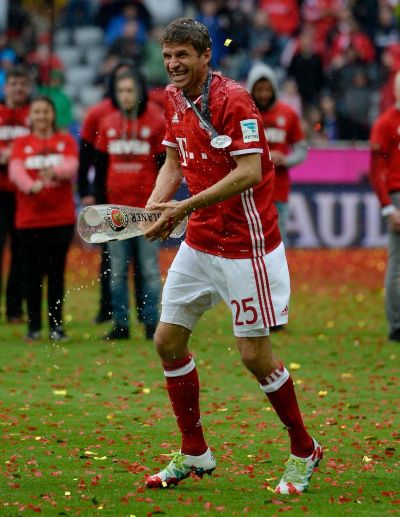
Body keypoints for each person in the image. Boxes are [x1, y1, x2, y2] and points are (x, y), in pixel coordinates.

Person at [143, 18, 322, 494]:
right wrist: (155, 205)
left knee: (254, 355)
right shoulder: (172, 97)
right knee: (167, 340)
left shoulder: (233, 99)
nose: (173, 64)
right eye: (168, 55)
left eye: (183, 55)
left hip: (247, 246)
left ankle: (304, 448)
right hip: (200, 242)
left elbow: (249, 172)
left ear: (206, 56)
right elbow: (174, 160)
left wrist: (183, 206)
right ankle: (194, 450)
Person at [95, 70, 165, 340]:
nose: (125, 96)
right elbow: (101, 167)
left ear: (140, 93)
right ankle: (121, 324)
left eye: (130, 90)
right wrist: (99, 202)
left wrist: (159, 202)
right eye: (121, 91)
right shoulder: (108, 123)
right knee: (117, 271)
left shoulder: (156, 121)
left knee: (149, 270)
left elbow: (163, 166)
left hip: (146, 210)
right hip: (115, 210)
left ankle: (151, 323)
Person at [9, 96, 78, 341]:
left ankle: (56, 327)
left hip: (60, 220)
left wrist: (56, 172)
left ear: (52, 115)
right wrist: (31, 186)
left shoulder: (65, 140)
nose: (41, 116)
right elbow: (15, 171)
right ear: (31, 116)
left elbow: (72, 165)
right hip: (29, 221)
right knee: (32, 275)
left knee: (56, 275)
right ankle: (34, 327)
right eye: (37, 112)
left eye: (45, 112)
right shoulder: (21, 143)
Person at [78, 61, 135, 325]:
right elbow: (86, 155)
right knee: (109, 256)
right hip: (105, 193)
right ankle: (107, 308)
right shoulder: (98, 114)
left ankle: (139, 312)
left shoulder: (146, 114)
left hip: (137, 194)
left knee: (138, 258)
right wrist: (86, 190)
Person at [247, 63, 308, 244]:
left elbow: (301, 149)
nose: (264, 94)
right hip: (250, 190)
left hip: (278, 189)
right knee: (250, 242)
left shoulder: (288, 114)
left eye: (268, 89)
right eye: (259, 90)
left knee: (277, 242)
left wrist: (286, 160)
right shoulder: (244, 113)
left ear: (274, 88)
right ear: (251, 89)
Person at [370, 70, 400, 342]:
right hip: (397, 194)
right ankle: (396, 325)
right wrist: (388, 207)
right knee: (397, 265)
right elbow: (376, 170)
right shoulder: (386, 123)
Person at [0, 66, 32, 323]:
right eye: (14, 83)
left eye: (22, 83)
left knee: (21, 253)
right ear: (6, 86)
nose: (18, 88)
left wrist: (15, 155)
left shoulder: (35, 114)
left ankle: (14, 309)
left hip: (24, 196)